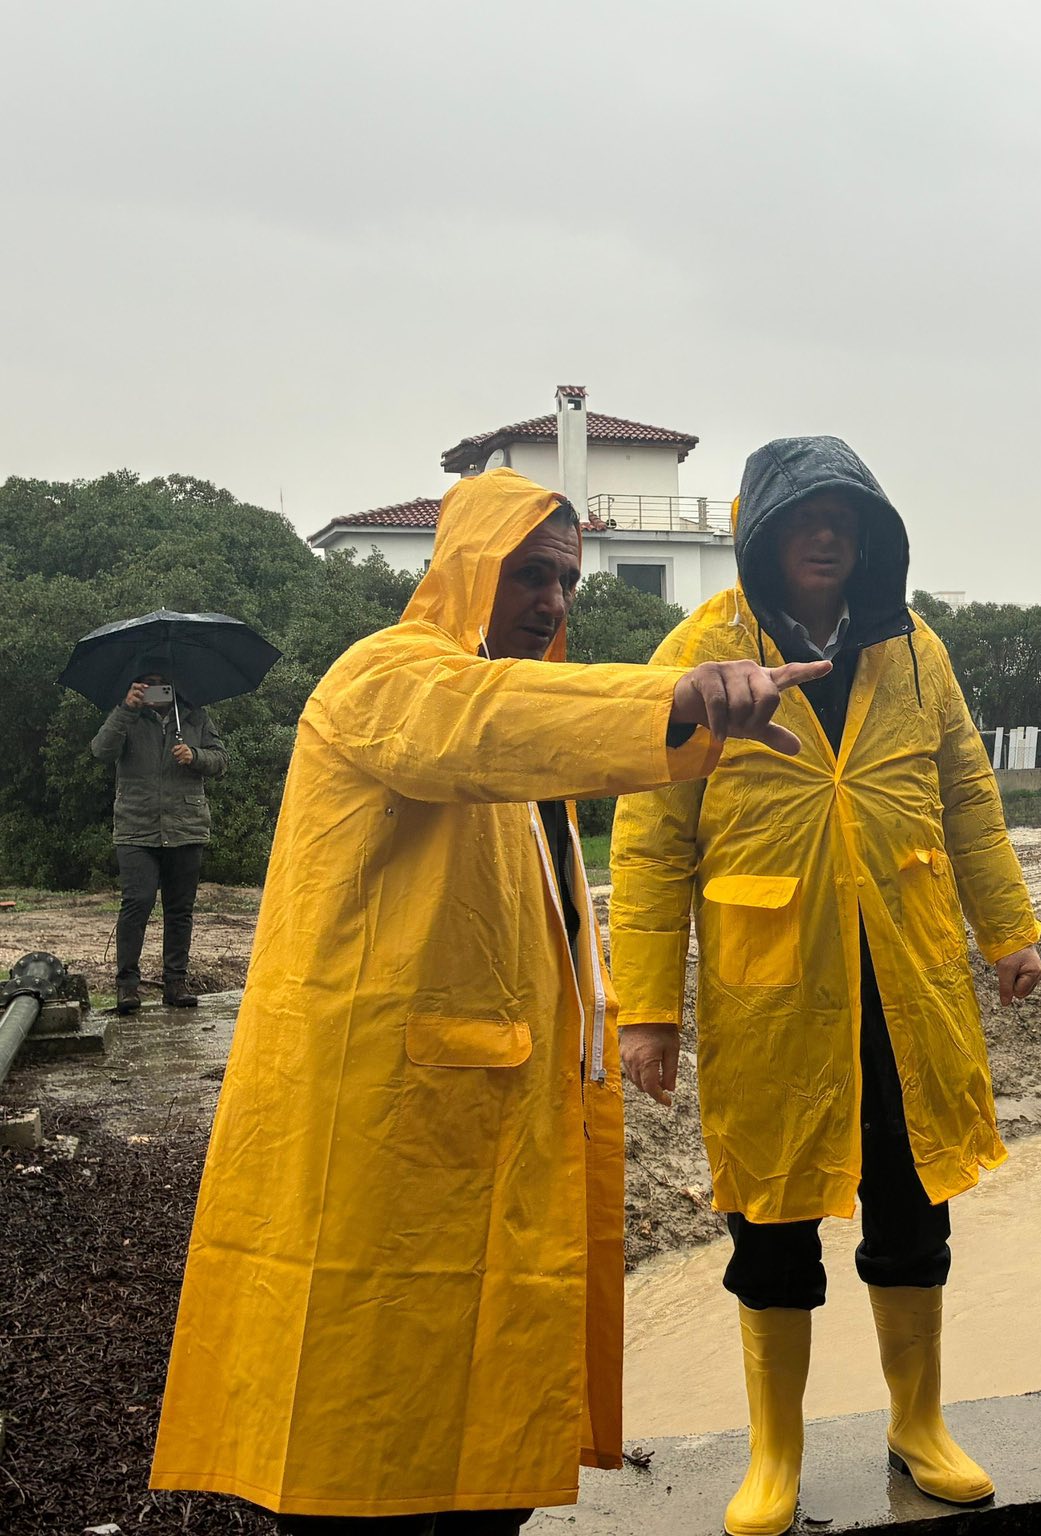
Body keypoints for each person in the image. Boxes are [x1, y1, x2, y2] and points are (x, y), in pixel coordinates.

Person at [149, 469, 828, 1532]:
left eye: (566, 581)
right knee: (359, 1425)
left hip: (491, 1126)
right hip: (380, 1133)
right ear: (466, 568)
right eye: (528, 575)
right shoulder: (387, 678)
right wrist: (679, 696)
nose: (553, 601)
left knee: (487, 1432)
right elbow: (475, 723)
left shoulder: (534, 735)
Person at [609, 436, 1041, 1536]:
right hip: (770, 992)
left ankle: (918, 1425)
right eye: (804, 519)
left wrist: (1008, 931)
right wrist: (648, 1011)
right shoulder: (698, 655)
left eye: (844, 520)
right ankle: (775, 1453)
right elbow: (651, 840)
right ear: (759, 537)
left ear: (871, 539)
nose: (826, 536)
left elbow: (968, 795)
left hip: (906, 978)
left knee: (912, 1205)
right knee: (771, 1219)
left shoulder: (916, 650)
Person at [91, 669, 226, 1012]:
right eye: (146, 683)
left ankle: (175, 983)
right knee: (137, 903)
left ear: (173, 684)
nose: (153, 689)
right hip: (136, 827)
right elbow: (101, 750)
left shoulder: (194, 716)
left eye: (160, 683)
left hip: (186, 825)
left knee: (180, 909)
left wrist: (195, 756)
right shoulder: (128, 716)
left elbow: (221, 760)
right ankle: (127, 986)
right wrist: (126, 708)